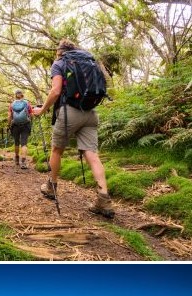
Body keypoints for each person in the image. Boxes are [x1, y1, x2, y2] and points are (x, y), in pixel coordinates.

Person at [32, 39, 115, 217]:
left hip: (70, 112)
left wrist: (42, 110)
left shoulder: (60, 63)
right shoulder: (89, 61)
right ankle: (104, 199)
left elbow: (55, 91)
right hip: (90, 112)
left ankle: (51, 187)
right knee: (92, 155)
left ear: (59, 51)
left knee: (57, 150)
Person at [8, 89, 32, 169]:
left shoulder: (12, 104)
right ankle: (23, 162)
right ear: (22, 95)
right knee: (24, 143)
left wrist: (8, 125)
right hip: (25, 125)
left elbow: (9, 116)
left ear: (15, 95)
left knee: (16, 142)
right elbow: (31, 114)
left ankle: (17, 159)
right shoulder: (27, 103)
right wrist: (30, 120)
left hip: (15, 125)